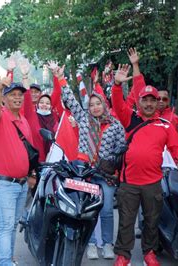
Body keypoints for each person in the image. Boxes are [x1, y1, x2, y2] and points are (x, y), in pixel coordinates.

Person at [111, 64, 178, 266]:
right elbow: (118, 103)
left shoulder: (165, 125)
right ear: (139, 102)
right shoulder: (130, 118)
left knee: (151, 222)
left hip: (153, 182)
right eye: (144, 100)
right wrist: (117, 84)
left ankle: (149, 253)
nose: (148, 104)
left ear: (157, 103)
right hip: (128, 182)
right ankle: (123, 256)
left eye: (152, 100)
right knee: (126, 222)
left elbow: (177, 146)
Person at [54, 63, 126, 260]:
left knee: (107, 210)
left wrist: (115, 172)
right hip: (85, 174)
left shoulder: (115, 126)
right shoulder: (84, 120)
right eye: (92, 104)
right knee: (87, 210)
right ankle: (92, 244)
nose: (95, 107)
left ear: (105, 105)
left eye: (98, 104)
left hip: (107, 175)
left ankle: (108, 244)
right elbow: (70, 99)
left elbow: (121, 153)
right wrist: (60, 78)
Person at [0, 77, 34, 266]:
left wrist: (32, 175)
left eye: (20, 95)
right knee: (6, 226)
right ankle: (4, 262)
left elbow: (29, 153)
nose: (17, 98)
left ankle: (9, 259)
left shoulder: (23, 120)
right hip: (4, 183)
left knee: (13, 225)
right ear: (5, 99)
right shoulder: (0, 116)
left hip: (21, 183)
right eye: (12, 95)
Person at [125, 47, 178, 127]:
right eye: (158, 99)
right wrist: (135, 65)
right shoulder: (145, 113)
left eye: (164, 99)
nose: (161, 101)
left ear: (168, 101)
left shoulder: (174, 119)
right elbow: (139, 86)